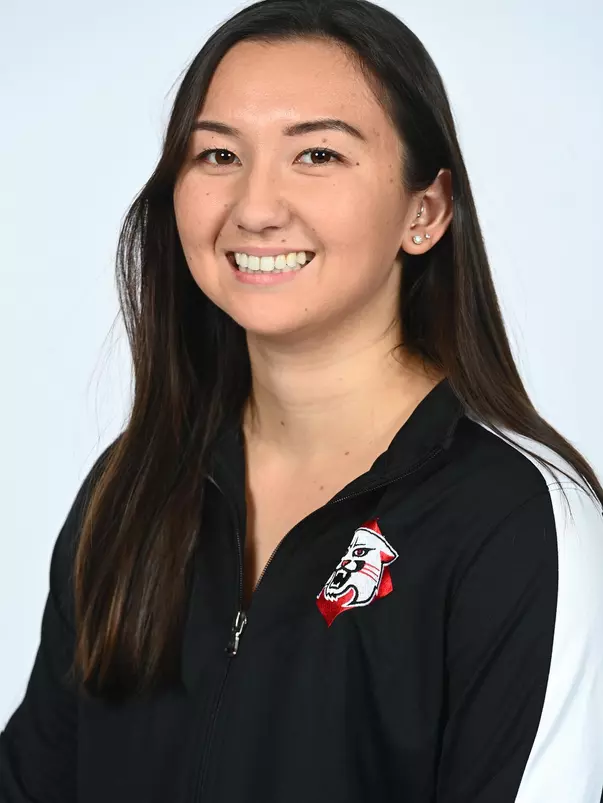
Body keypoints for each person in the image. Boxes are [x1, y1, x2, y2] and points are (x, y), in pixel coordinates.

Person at [2, 0, 603, 800]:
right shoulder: (134, 487)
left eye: (316, 154)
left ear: (424, 212)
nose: (254, 207)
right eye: (217, 155)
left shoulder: (520, 516)